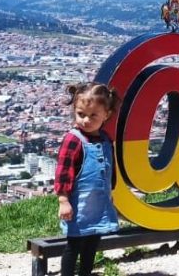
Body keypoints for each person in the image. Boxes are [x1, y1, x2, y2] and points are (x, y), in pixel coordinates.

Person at [55, 83, 120, 276]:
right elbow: (63, 172)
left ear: (106, 115)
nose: (86, 120)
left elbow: (109, 169)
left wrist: (110, 194)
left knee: (92, 244)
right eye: (81, 114)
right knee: (73, 244)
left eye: (93, 116)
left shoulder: (106, 139)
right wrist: (63, 200)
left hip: (99, 203)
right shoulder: (73, 139)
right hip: (78, 205)